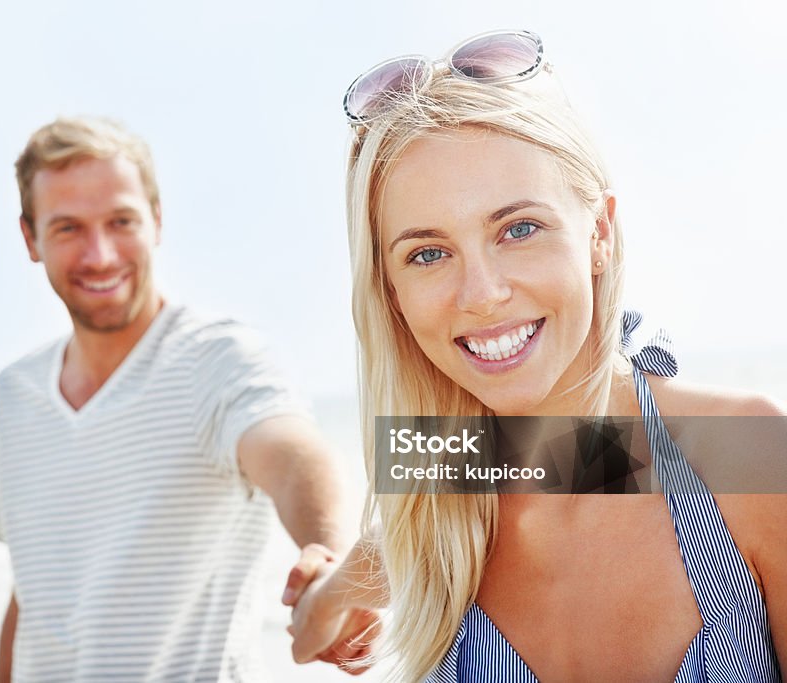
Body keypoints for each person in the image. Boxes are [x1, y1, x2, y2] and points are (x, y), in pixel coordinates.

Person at [283, 30, 786, 682]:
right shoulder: (436, 488)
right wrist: (327, 590)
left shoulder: (745, 456)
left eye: (519, 228)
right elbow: (310, 627)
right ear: (391, 291)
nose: (483, 294)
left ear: (599, 234)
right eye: (428, 252)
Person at [0, 116, 373, 682]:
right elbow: (32, 594)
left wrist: (328, 563)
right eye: (68, 228)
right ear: (30, 238)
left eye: (120, 221)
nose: (99, 255)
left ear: (156, 221)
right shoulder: (15, 395)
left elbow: (295, 457)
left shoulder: (219, 360)